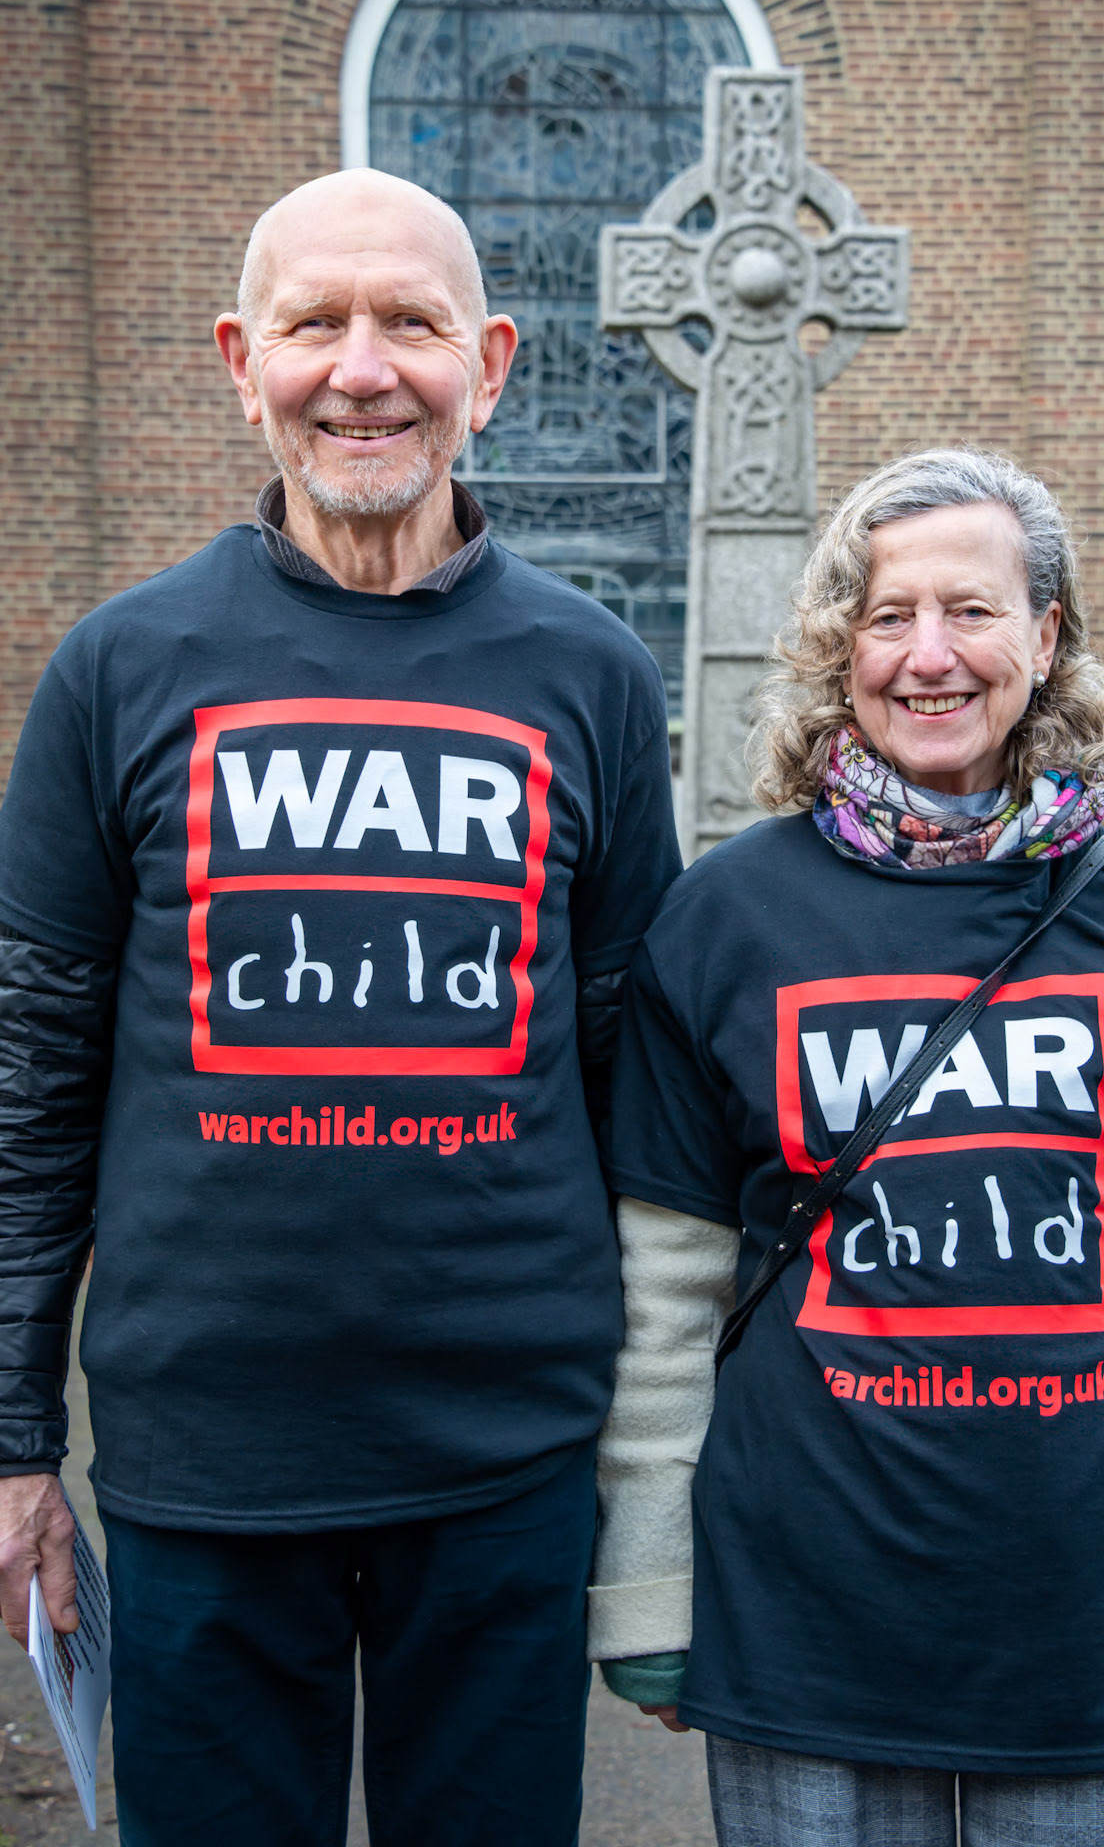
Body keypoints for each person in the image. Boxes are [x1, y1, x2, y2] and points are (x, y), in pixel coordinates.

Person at [0, 167, 680, 1845]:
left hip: (509, 1455)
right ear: (244, 359)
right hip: (205, 1453)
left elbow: (634, 1073)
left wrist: (659, 1445)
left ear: (493, 363)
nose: (362, 368)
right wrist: (16, 1435)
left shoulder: (590, 674)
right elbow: (33, 1068)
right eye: (316, 323)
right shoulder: (120, 668)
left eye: (413, 325)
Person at [589, 447, 1104, 1847]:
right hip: (808, 1622)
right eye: (886, 615)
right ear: (839, 651)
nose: (930, 655)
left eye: (973, 611)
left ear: (1046, 639)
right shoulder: (725, 921)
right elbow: (670, 1297)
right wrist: (652, 1581)